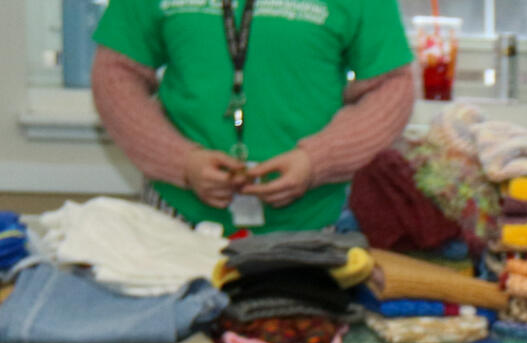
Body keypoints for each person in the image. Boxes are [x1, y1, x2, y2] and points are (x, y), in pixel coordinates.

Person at [90, 0, 414, 231]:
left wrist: (318, 160)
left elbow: (391, 87)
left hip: (314, 225)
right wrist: (181, 162)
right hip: (175, 220)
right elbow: (116, 74)